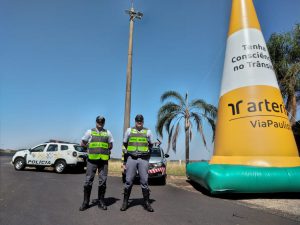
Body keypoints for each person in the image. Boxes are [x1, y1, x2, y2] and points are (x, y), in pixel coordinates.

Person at [120, 114, 154, 212]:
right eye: (137, 121)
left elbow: (151, 145)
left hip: (143, 159)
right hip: (132, 158)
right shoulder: (129, 130)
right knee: (129, 180)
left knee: (144, 181)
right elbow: (125, 143)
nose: (139, 122)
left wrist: (147, 155)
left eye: (141, 121)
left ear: (143, 121)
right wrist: (129, 154)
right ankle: (125, 202)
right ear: (135, 121)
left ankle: (147, 203)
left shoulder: (148, 131)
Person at [79, 116, 114, 211]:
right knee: (88, 180)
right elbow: (82, 143)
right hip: (92, 160)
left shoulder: (108, 132)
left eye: (102, 122)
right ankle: (85, 203)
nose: (100, 123)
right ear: (96, 122)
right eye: (99, 122)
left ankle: (101, 202)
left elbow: (111, 145)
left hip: (103, 160)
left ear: (104, 123)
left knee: (103, 181)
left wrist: (105, 149)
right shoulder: (89, 132)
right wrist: (89, 146)